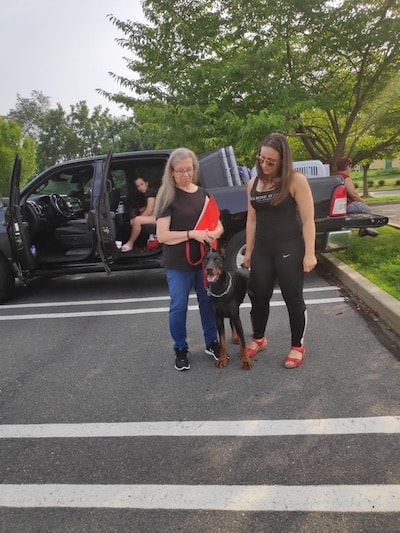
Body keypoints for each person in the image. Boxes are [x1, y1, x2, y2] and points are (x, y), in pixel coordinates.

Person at [243, 132, 317, 369]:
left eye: (271, 162)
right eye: (261, 158)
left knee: (292, 298)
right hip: (263, 248)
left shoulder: (296, 181)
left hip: (289, 247)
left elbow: (308, 219)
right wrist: (248, 251)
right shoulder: (253, 184)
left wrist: (310, 252)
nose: (264, 165)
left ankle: (297, 345)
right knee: (258, 296)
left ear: (283, 161)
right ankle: (259, 338)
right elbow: (252, 220)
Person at [155, 147, 224, 371]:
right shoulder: (167, 197)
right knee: (178, 306)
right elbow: (162, 235)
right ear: (172, 172)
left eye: (189, 169)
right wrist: (190, 234)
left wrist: (216, 233)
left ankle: (212, 341)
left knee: (208, 302)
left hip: (205, 263)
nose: (185, 174)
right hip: (178, 263)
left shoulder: (204, 195)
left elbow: (218, 224)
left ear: (194, 169)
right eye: (180, 170)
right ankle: (180, 348)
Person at [335, 157, 377, 237]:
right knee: (366, 209)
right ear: (347, 166)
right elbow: (353, 194)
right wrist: (362, 201)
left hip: (339, 206)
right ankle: (363, 229)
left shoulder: (335, 177)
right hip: (347, 204)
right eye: (351, 166)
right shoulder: (345, 178)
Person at [121, 177, 157, 252]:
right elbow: (148, 206)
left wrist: (137, 218)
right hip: (155, 216)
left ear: (146, 183)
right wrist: (139, 210)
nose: (140, 187)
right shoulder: (147, 193)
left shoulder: (150, 192)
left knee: (137, 220)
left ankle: (130, 244)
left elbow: (149, 210)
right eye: (138, 186)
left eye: (142, 184)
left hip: (159, 217)